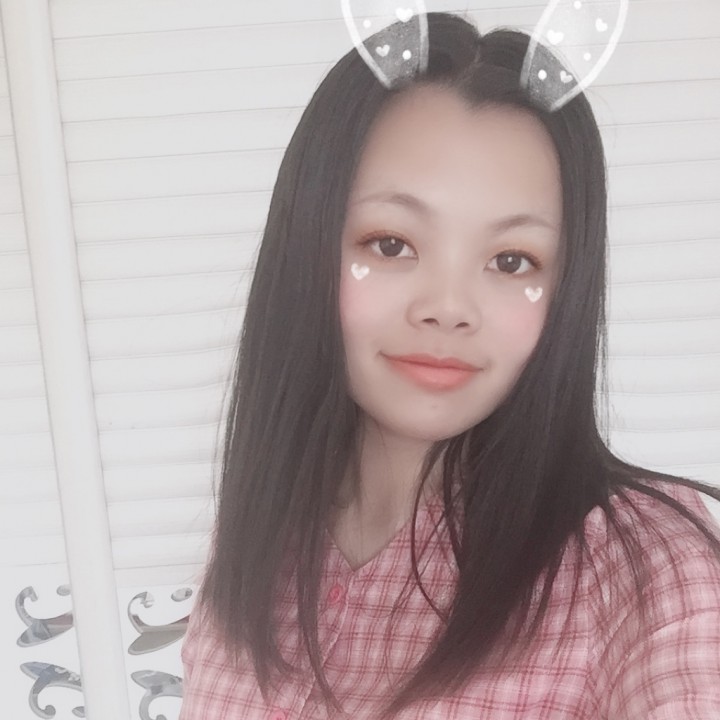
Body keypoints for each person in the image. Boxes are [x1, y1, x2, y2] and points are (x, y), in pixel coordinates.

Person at [178, 11, 720, 720]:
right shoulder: (254, 544)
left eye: (512, 261)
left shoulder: (647, 566)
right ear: (308, 247)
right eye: (391, 244)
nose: (448, 307)